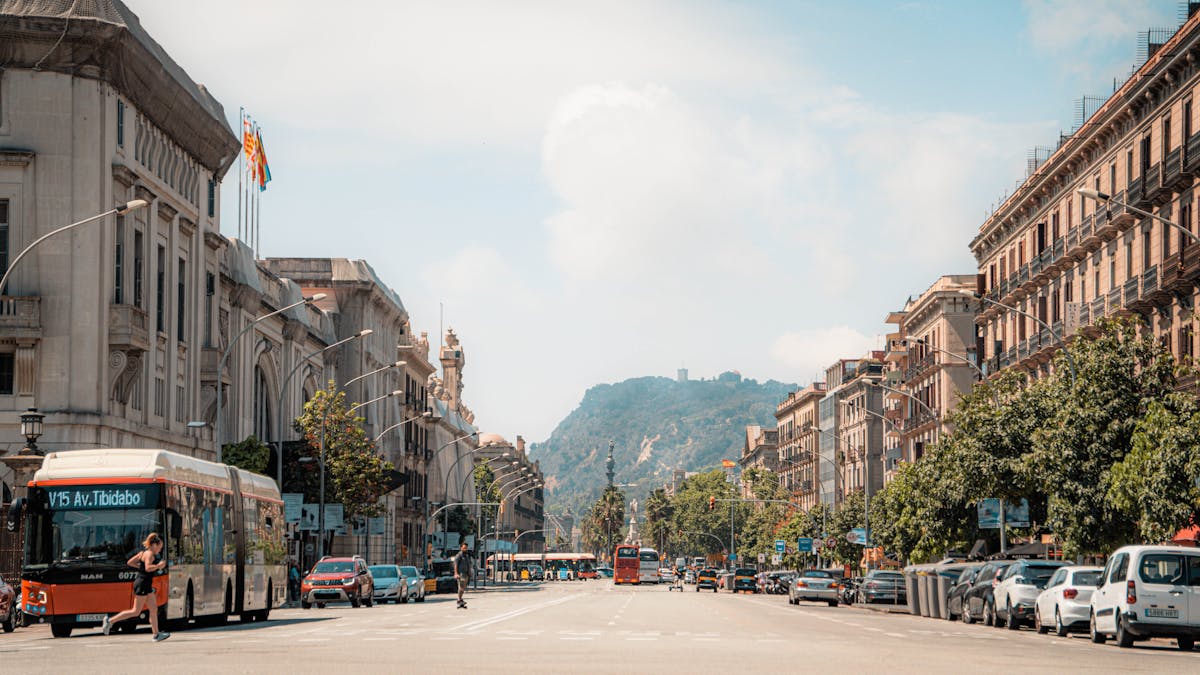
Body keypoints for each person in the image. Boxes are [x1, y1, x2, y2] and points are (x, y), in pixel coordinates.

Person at [102, 533, 169, 641]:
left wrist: (140, 567)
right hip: (142, 584)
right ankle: (110, 621)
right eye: (159, 547)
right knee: (135, 611)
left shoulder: (143, 553)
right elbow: (148, 568)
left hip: (144, 583)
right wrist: (158, 566)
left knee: (153, 608)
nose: (160, 550)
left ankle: (156, 634)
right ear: (154, 545)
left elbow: (130, 562)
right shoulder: (150, 555)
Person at [452, 542, 472, 609]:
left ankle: (460, 599)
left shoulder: (466, 556)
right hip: (461, 574)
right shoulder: (459, 556)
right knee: (461, 587)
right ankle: (459, 599)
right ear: (461, 548)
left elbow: (469, 565)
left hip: (466, 574)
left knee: (463, 588)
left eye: (466, 548)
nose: (465, 549)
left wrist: (470, 573)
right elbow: (455, 565)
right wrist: (456, 573)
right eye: (464, 548)